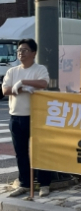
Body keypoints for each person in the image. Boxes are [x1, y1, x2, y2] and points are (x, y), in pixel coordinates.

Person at [3, 39, 50, 197]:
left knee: (39, 151)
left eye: (24, 50)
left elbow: (43, 83)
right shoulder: (12, 71)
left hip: (35, 117)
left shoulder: (39, 69)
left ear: (33, 53)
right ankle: (24, 184)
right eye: (19, 50)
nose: (20, 53)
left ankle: (44, 184)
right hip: (16, 117)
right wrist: (23, 88)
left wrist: (22, 82)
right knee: (20, 152)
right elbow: (5, 90)